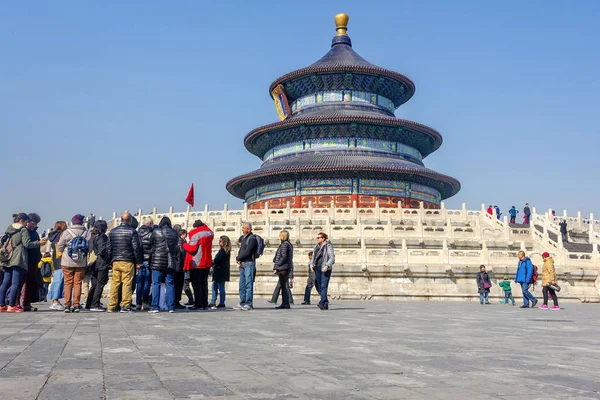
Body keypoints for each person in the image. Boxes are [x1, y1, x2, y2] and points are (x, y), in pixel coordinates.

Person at [0, 213, 42, 312]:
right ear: (22, 221)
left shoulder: (10, 228)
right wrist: (39, 243)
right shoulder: (23, 230)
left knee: (5, 283)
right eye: (29, 222)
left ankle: (2, 304)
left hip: (8, 258)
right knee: (16, 283)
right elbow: (27, 244)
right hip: (19, 259)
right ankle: (12, 305)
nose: (31, 225)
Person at [107, 212, 143, 313]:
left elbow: (108, 247)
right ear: (130, 220)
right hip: (128, 260)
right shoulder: (132, 232)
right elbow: (136, 247)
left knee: (115, 283)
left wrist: (110, 260)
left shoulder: (113, 231)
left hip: (115, 261)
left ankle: (111, 305)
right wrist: (139, 261)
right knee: (127, 283)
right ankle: (125, 305)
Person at [57, 214, 91, 313]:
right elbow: (90, 247)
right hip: (81, 262)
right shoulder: (86, 232)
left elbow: (59, 247)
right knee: (78, 283)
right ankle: (76, 304)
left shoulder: (67, 232)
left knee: (68, 283)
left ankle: (67, 304)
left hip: (67, 261)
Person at [148, 217, 180, 313]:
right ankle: (171, 307)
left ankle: (155, 307)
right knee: (170, 284)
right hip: (170, 261)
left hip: (157, 261)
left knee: (156, 284)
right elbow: (176, 247)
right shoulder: (174, 233)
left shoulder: (156, 231)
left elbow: (151, 244)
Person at [183, 220, 214, 311]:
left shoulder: (196, 235)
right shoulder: (209, 233)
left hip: (197, 262)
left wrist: (184, 244)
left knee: (196, 284)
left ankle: (198, 303)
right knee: (204, 283)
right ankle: (204, 303)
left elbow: (192, 248)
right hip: (207, 261)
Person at [20, 213, 46, 311]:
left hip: (34, 261)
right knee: (25, 283)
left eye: (35, 224)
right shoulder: (25, 231)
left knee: (31, 282)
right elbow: (27, 244)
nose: (33, 225)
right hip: (27, 260)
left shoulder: (34, 232)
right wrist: (39, 243)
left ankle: (27, 302)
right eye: (32, 223)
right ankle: (23, 303)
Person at [85, 220, 110, 311]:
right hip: (101, 263)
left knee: (95, 284)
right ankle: (95, 304)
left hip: (93, 263)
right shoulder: (102, 237)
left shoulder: (91, 236)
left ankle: (90, 303)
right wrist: (109, 261)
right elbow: (102, 250)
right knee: (100, 283)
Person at [235, 222, 258, 311]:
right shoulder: (244, 238)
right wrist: (239, 259)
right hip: (242, 264)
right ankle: (242, 302)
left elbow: (248, 252)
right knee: (242, 284)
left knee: (249, 284)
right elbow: (242, 250)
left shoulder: (252, 239)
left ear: (248, 229)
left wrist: (238, 257)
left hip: (249, 263)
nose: (242, 229)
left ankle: (249, 303)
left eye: (244, 228)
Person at [310, 232, 335, 310]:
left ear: (323, 238)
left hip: (325, 268)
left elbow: (332, 258)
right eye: (317, 237)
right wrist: (311, 264)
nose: (317, 239)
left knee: (324, 286)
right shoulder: (316, 247)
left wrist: (327, 266)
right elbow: (313, 257)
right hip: (317, 267)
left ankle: (322, 302)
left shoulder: (328, 246)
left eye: (319, 237)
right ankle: (325, 303)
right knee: (320, 286)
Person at [47, 221, 67, 310]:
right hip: (62, 259)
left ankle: (55, 300)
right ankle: (55, 301)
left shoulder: (52, 235)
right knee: (59, 280)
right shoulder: (62, 235)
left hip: (55, 259)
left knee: (57, 280)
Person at [272, 230, 294, 309]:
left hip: (283, 267)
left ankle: (285, 303)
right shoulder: (288, 244)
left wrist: (277, 264)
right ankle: (285, 302)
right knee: (284, 286)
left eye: (280, 235)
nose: (279, 236)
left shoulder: (285, 244)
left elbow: (283, 256)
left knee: (284, 286)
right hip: (285, 267)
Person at [136, 217, 154, 311]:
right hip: (148, 260)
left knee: (139, 283)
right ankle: (145, 302)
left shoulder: (137, 233)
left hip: (139, 260)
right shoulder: (151, 234)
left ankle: (138, 303)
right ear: (151, 224)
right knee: (147, 282)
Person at [209, 235, 231, 309]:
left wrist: (211, 262)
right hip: (220, 271)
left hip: (220, 271)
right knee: (215, 286)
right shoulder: (226, 250)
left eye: (220, 241)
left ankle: (221, 302)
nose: (219, 242)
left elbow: (217, 259)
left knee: (219, 287)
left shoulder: (223, 251)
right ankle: (213, 301)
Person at [178, 229, 194, 306]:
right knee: (185, 284)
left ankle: (191, 299)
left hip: (186, 266)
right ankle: (191, 299)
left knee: (185, 284)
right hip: (185, 266)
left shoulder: (183, 243)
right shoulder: (182, 243)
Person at [173, 225, 186, 310]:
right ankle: (176, 301)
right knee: (178, 285)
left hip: (173, 265)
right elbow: (182, 254)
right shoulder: (180, 241)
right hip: (179, 266)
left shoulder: (173, 240)